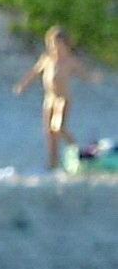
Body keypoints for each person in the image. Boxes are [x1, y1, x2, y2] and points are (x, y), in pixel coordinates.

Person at [14, 27, 104, 170]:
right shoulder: (47, 59)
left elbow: (84, 74)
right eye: (52, 44)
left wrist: (94, 78)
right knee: (50, 133)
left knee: (59, 127)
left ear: (66, 45)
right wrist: (23, 85)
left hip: (63, 98)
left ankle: (77, 150)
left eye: (59, 44)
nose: (55, 47)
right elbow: (34, 73)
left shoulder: (70, 61)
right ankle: (53, 163)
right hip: (49, 99)